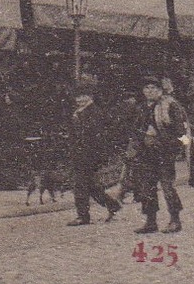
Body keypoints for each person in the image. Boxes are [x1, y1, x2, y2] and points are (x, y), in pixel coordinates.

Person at [130, 74, 186, 235]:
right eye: (146, 88)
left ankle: (175, 220)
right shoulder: (142, 108)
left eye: (153, 88)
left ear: (160, 90)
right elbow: (135, 128)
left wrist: (177, 149)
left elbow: (181, 132)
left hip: (164, 153)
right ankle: (150, 221)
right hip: (146, 153)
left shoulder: (170, 106)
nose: (149, 91)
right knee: (147, 187)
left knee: (167, 187)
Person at [66, 83, 122, 226]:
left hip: (87, 155)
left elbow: (95, 137)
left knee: (80, 184)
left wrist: (91, 155)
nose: (79, 100)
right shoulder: (79, 112)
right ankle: (112, 204)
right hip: (80, 154)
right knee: (89, 185)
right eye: (77, 97)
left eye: (83, 96)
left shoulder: (93, 112)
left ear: (90, 97)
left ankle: (83, 216)